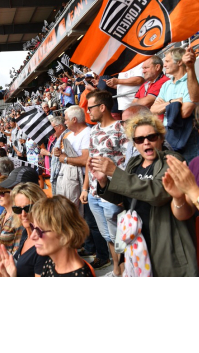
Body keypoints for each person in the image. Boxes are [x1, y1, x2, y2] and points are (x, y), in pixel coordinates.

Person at [91, 112, 198, 277]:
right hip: (139, 242)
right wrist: (104, 182)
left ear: (161, 138)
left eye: (151, 137)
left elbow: (158, 194)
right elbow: (124, 197)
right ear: (134, 144)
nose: (146, 142)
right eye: (139, 139)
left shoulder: (172, 159)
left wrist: (115, 172)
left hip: (166, 240)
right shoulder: (134, 164)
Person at [81, 89, 128, 276]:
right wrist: (85, 188)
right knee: (107, 235)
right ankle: (116, 270)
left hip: (113, 192)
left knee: (119, 237)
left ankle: (124, 272)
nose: (88, 112)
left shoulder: (121, 128)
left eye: (90, 107)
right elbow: (89, 161)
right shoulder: (94, 130)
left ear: (102, 107)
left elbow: (129, 160)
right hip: (94, 193)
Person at [163, 99, 199, 276]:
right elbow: (184, 214)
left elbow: (195, 196)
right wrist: (178, 197)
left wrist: (193, 190)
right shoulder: (198, 164)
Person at [0, 182, 48, 277]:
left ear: (41, 207)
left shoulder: (44, 247)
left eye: (28, 208)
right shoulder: (25, 234)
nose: (23, 214)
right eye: (18, 209)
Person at [150, 46, 199, 163]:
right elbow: (153, 109)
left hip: (187, 133)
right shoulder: (166, 85)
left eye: (167, 61)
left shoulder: (192, 82)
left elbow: (185, 112)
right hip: (167, 133)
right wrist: (173, 102)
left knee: (190, 172)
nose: (164, 65)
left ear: (179, 62)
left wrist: (164, 107)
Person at [55, 105, 90, 215]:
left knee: (84, 217)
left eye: (66, 119)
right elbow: (66, 156)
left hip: (84, 180)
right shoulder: (69, 136)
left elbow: (86, 160)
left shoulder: (87, 133)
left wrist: (65, 159)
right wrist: (59, 153)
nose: (65, 123)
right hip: (70, 178)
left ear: (74, 120)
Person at [0, 175, 24, 255]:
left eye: (2, 193)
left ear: (12, 193)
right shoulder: (2, 215)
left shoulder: (18, 218)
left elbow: (17, 251)